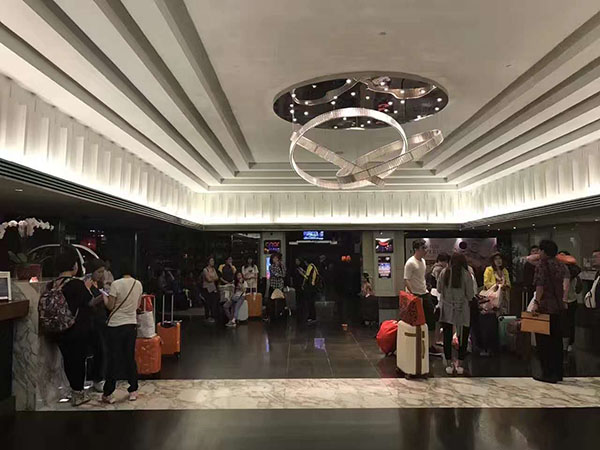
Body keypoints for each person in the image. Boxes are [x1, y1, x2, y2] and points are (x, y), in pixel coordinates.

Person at [53, 249, 94, 406]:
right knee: (78, 362)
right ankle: (78, 394)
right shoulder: (77, 284)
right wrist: (88, 288)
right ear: (74, 266)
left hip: (59, 329)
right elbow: (89, 302)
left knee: (68, 361)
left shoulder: (53, 284)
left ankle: (73, 390)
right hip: (77, 329)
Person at [102, 261, 143, 403]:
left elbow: (110, 306)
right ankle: (133, 390)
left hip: (115, 325)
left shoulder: (116, 284)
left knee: (113, 359)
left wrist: (104, 297)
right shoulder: (138, 284)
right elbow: (137, 305)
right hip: (131, 325)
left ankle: (108, 393)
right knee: (129, 358)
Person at [530, 240, 570, 383]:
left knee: (543, 342)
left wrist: (536, 302)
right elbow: (566, 283)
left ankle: (547, 373)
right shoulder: (561, 265)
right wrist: (563, 299)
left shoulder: (542, 265)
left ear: (544, 252)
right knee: (556, 341)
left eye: (540, 250)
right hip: (558, 307)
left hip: (545, 307)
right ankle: (558, 372)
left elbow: (540, 285)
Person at [437, 253, 474, 375]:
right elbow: (470, 294)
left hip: (447, 309)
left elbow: (439, 289)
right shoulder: (466, 274)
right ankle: (460, 365)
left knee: (447, 337)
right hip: (462, 309)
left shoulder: (444, 272)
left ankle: (448, 364)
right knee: (463, 337)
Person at [404, 239, 441, 356]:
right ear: (416, 249)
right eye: (423, 248)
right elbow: (406, 280)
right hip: (416, 295)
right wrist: (413, 295)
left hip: (424, 293)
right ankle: (418, 345)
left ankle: (430, 345)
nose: (425, 250)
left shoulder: (423, 261)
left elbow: (421, 278)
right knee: (416, 322)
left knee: (431, 320)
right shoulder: (410, 263)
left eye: (425, 248)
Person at [86, 258, 109, 393]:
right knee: (99, 349)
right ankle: (97, 378)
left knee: (102, 349)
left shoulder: (99, 283)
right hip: (92, 321)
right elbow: (88, 302)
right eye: (99, 272)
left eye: (102, 272)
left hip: (101, 319)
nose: (101, 275)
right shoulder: (87, 284)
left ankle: (99, 377)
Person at [558, 251, 582, 353]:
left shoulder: (568, 271)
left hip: (567, 301)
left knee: (566, 324)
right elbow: (578, 288)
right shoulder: (575, 271)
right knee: (569, 323)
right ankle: (568, 344)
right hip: (571, 300)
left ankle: (566, 345)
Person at [265, 252, 286, 322]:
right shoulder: (271, 266)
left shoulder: (282, 265)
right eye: (274, 258)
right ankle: (270, 315)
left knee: (281, 300)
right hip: (273, 285)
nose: (275, 259)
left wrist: (281, 268)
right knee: (271, 301)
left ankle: (280, 314)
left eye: (276, 258)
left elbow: (284, 274)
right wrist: (280, 274)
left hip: (280, 285)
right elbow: (275, 274)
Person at [201, 257, 220, 323]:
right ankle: (207, 317)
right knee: (207, 303)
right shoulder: (205, 270)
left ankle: (213, 316)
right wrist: (213, 278)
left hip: (213, 288)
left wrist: (211, 277)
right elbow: (208, 279)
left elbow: (217, 277)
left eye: (213, 261)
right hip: (207, 288)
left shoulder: (213, 269)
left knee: (213, 302)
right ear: (208, 262)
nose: (213, 262)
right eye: (211, 261)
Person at [303, 259, 320, 324]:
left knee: (310, 303)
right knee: (312, 302)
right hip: (314, 287)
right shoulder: (315, 267)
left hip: (310, 287)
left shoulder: (310, 266)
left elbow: (306, 276)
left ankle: (311, 316)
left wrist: (303, 284)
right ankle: (313, 316)